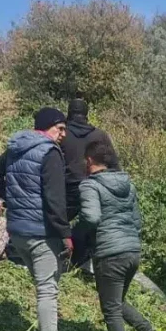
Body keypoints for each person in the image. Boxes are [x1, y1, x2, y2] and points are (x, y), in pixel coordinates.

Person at [0, 107, 74, 331]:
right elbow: (55, 200)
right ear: (46, 127)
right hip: (41, 232)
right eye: (60, 128)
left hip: (18, 230)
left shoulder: (16, 148)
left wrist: (13, 198)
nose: (63, 134)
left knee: (43, 286)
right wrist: (66, 234)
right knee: (47, 291)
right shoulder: (49, 153)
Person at [79, 140, 164, 331]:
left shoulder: (90, 186)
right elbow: (137, 221)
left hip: (109, 252)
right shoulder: (128, 185)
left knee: (110, 308)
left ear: (89, 160)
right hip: (132, 250)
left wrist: (78, 235)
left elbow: (91, 217)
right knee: (117, 301)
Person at [61, 98, 113, 273]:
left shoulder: (62, 134)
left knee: (58, 222)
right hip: (95, 186)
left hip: (67, 188)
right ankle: (86, 262)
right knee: (93, 225)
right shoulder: (100, 135)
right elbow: (113, 164)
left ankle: (59, 257)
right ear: (86, 114)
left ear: (69, 113)